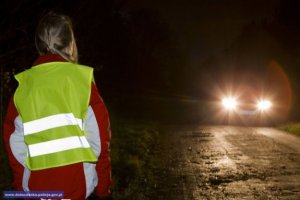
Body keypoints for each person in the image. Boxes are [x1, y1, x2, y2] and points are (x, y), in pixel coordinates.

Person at [3, 12, 112, 200]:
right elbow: (100, 143)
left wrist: (23, 189)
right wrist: (103, 189)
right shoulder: (83, 83)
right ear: (71, 44)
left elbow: (16, 148)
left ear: (39, 45)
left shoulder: (22, 89)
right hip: (78, 190)